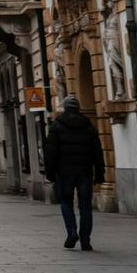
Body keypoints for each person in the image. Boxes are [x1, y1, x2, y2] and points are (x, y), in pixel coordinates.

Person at [44, 95, 105, 251]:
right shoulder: (89, 126)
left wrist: (49, 172)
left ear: (65, 107)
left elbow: (50, 152)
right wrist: (99, 172)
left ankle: (71, 232)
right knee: (85, 205)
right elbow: (97, 152)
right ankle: (85, 239)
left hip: (64, 172)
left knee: (66, 202)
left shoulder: (57, 125)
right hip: (84, 171)